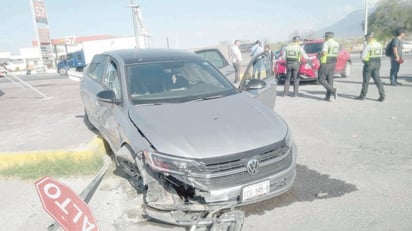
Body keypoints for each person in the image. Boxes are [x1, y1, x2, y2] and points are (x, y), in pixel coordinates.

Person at [355, 32, 385, 102]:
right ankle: (382, 95)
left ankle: (362, 96)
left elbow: (363, 57)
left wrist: (365, 61)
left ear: (368, 38)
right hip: (377, 63)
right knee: (378, 80)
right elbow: (381, 55)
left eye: (366, 39)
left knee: (366, 81)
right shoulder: (379, 44)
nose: (366, 40)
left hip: (369, 64)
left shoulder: (368, 46)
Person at [318, 32, 339, 101]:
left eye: (325, 37)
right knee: (330, 80)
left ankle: (333, 90)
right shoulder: (336, 43)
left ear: (327, 37)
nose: (324, 38)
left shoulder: (327, 43)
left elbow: (324, 52)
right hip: (333, 63)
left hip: (326, 62)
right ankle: (328, 97)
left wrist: (319, 54)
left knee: (321, 79)